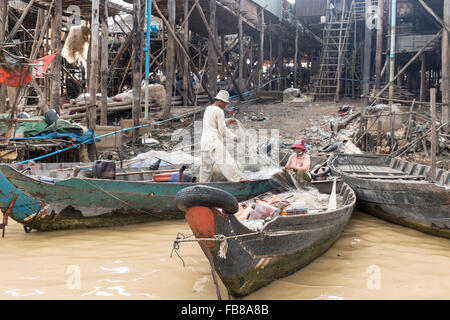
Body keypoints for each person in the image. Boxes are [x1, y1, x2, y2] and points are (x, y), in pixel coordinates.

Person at [199, 90, 247, 183]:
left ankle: (202, 186)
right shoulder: (219, 111)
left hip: (205, 143)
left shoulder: (208, 109)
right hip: (214, 141)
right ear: (221, 102)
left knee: (205, 169)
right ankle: (238, 180)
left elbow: (214, 123)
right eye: (225, 103)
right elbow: (222, 129)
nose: (225, 106)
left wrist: (227, 121)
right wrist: (234, 137)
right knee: (226, 161)